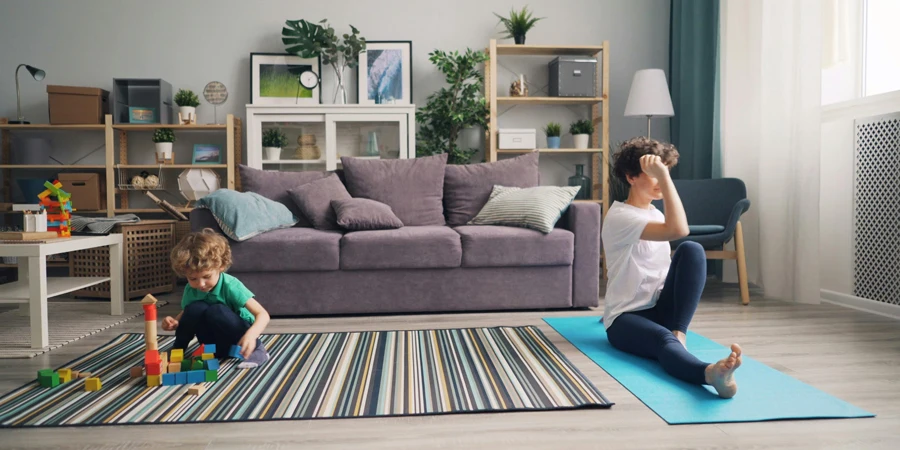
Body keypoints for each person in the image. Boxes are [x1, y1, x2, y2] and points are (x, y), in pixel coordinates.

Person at [601, 137, 742, 398]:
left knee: (692, 250)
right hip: (626, 318)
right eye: (654, 173)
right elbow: (679, 229)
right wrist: (664, 180)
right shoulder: (621, 217)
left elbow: (679, 235)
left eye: (665, 172)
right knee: (662, 342)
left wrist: (661, 176)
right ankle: (711, 374)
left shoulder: (655, 214)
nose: (662, 179)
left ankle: (680, 332)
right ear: (631, 177)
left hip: (662, 308)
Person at [163, 228, 270, 368]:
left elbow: (263, 314)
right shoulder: (191, 289)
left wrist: (251, 336)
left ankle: (258, 349)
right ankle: (178, 349)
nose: (200, 284)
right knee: (195, 308)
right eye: (193, 278)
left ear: (221, 266)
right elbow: (187, 313)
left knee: (216, 310)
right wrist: (175, 322)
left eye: (207, 277)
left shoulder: (231, 285)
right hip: (212, 343)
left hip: (238, 339)